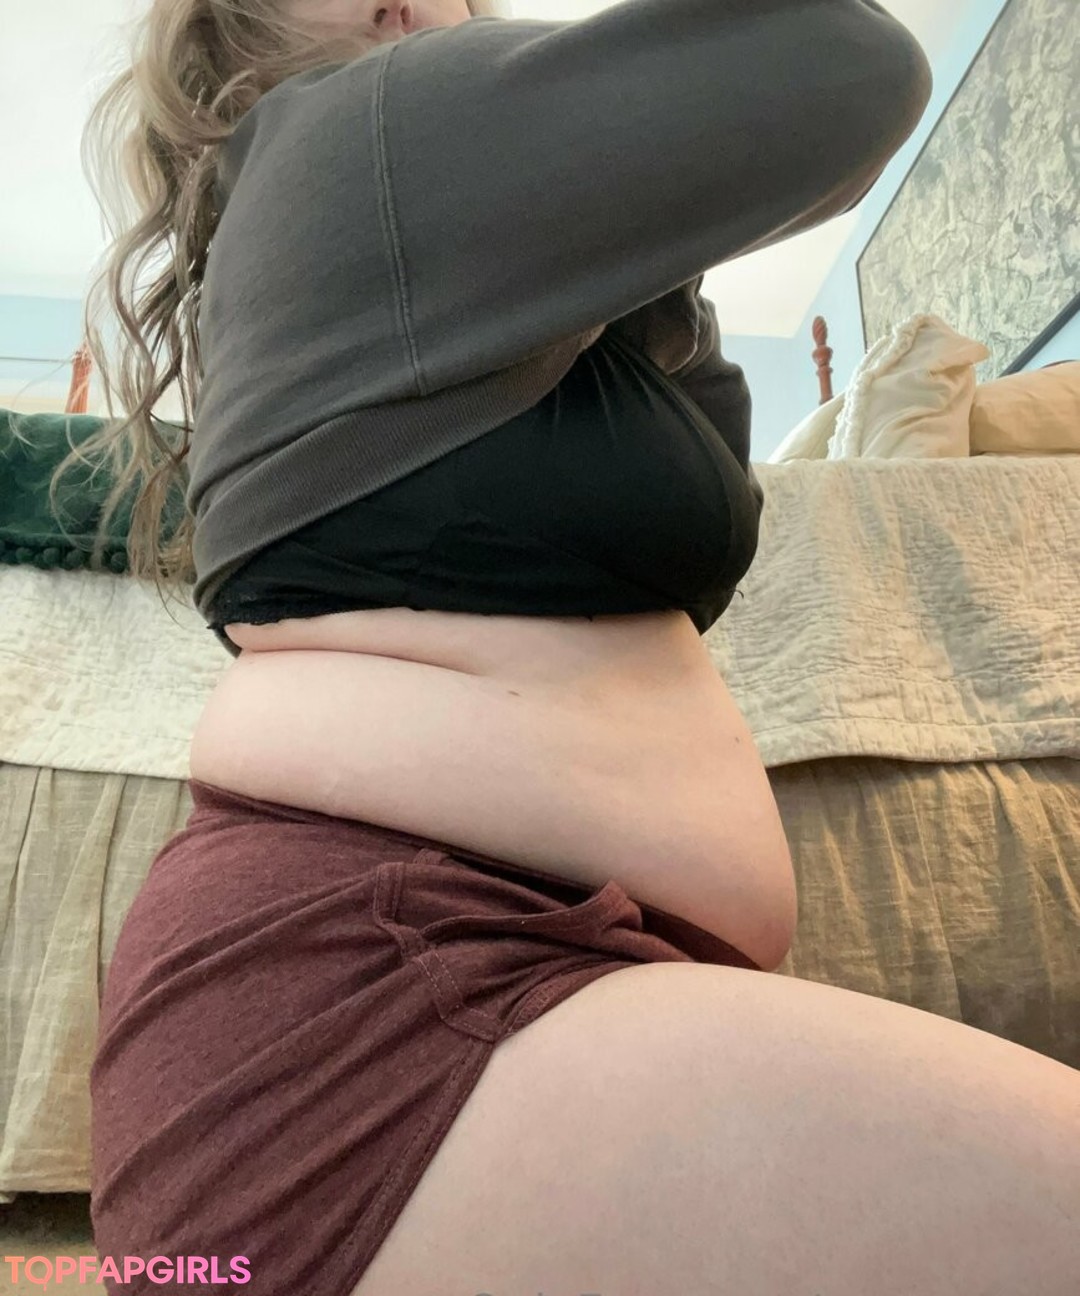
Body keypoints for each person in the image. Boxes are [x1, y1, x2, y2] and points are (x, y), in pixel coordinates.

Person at [72, 0, 1079, 1292]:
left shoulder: (361, 246)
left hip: (408, 998)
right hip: (358, 1029)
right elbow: (855, 64)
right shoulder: (358, 130)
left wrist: (616, 226)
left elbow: (705, 476)